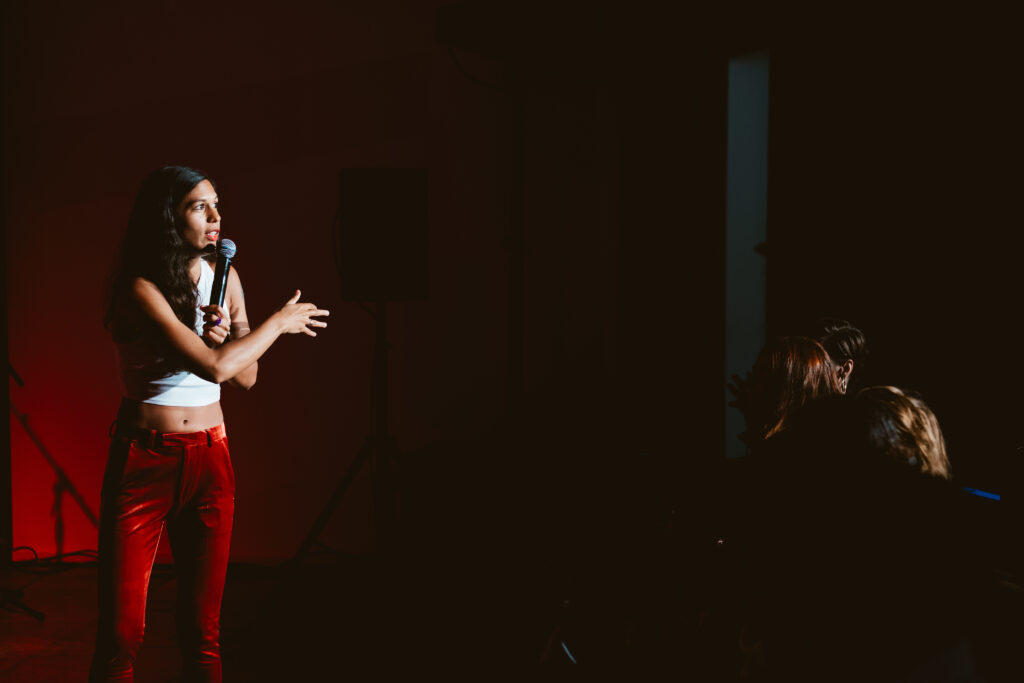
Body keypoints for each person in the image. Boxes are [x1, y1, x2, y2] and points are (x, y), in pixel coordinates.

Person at [91, 166, 329, 682]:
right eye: (200, 206)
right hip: (145, 460)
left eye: (216, 204)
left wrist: (231, 334)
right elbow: (216, 369)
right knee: (121, 636)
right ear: (168, 216)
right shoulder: (140, 289)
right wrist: (277, 323)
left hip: (210, 459)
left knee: (204, 634)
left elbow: (245, 377)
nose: (217, 216)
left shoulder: (226, 277)